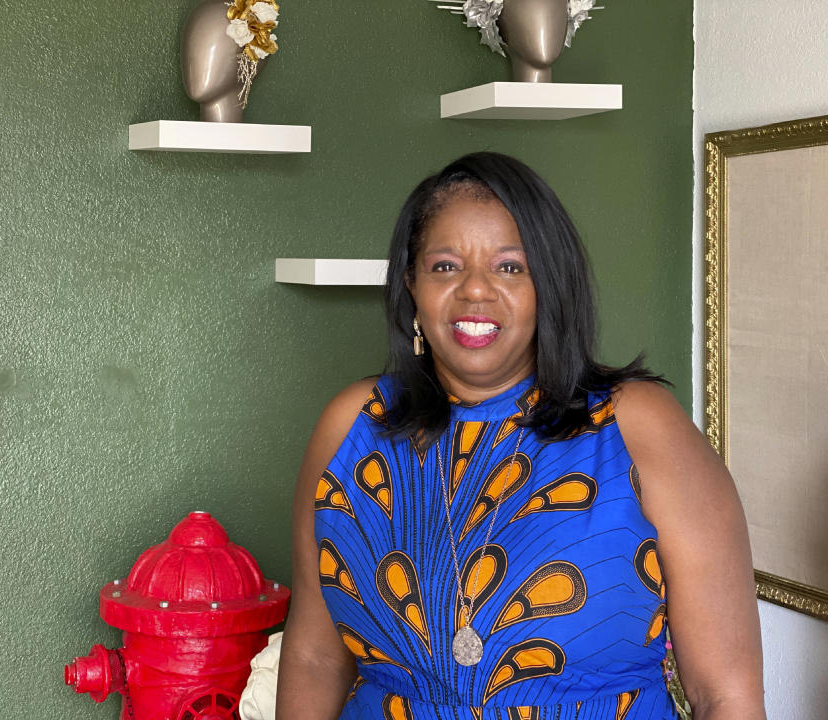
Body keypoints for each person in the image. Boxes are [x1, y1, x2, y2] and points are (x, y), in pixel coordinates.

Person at [276, 153, 765, 719]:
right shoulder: (353, 425)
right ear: (411, 284)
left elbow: (726, 694)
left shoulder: (636, 426)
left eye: (510, 267)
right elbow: (315, 657)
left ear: (547, 285)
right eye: (445, 266)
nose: (475, 292)